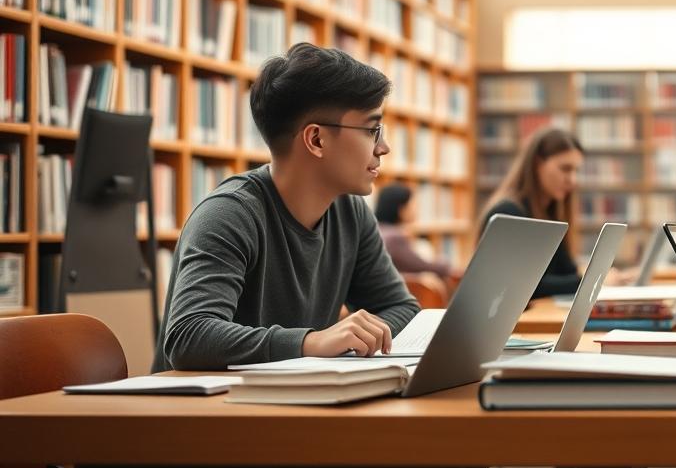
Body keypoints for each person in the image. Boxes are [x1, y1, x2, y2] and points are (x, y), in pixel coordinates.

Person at [156, 43, 419, 372]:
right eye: (372, 130)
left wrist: (354, 337)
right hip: (211, 403)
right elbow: (188, 336)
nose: (384, 147)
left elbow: (402, 308)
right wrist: (312, 343)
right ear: (316, 140)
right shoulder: (229, 214)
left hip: (298, 397)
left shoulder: (351, 212)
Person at [478, 127, 585, 300]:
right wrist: (586, 282)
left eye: (576, 171)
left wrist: (587, 278)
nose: (572, 180)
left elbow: (567, 272)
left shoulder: (550, 215)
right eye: (565, 169)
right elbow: (522, 286)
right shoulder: (509, 214)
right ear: (537, 164)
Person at [375, 182, 459, 282]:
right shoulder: (395, 238)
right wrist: (445, 263)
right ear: (401, 210)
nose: (416, 209)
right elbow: (424, 266)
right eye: (412, 205)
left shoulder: (374, 230)